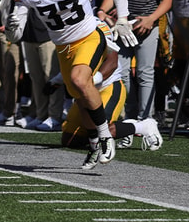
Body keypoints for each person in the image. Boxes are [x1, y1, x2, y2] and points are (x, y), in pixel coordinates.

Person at [5, 0, 139, 169]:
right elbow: (15, 33)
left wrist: (123, 19)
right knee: (80, 97)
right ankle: (96, 143)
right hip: (63, 48)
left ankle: (106, 136)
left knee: (80, 79)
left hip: (88, 36)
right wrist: (12, 28)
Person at [99, 0, 172, 126]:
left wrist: (150, 19)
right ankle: (129, 115)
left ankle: (145, 118)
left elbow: (166, 0)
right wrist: (102, 11)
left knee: (144, 72)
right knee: (122, 72)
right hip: (123, 24)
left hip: (147, 26)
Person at [57, 22, 163, 154]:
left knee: (103, 130)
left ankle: (141, 126)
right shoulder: (63, 26)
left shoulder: (96, 25)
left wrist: (90, 81)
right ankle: (121, 128)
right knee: (70, 140)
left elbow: (112, 61)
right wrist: (56, 80)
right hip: (85, 92)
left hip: (107, 86)